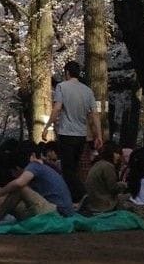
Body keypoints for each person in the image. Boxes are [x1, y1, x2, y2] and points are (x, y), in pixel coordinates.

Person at [47, 60, 101, 201]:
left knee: (67, 170)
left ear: (67, 73)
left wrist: (48, 126)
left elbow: (57, 108)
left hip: (66, 134)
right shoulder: (87, 91)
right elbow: (94, 114)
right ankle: (75, 199)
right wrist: (98, 135)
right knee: (74, 169)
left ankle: (83, 195)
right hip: (81, 135)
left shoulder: (61, 87)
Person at [82, 141, 125, 213]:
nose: (118, 156)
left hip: (94, 202)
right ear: (111, 153)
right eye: (116, 153)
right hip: (103, 205)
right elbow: (113, 188)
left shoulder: (98, 164)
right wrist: (123, 185)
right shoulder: (108, 166)